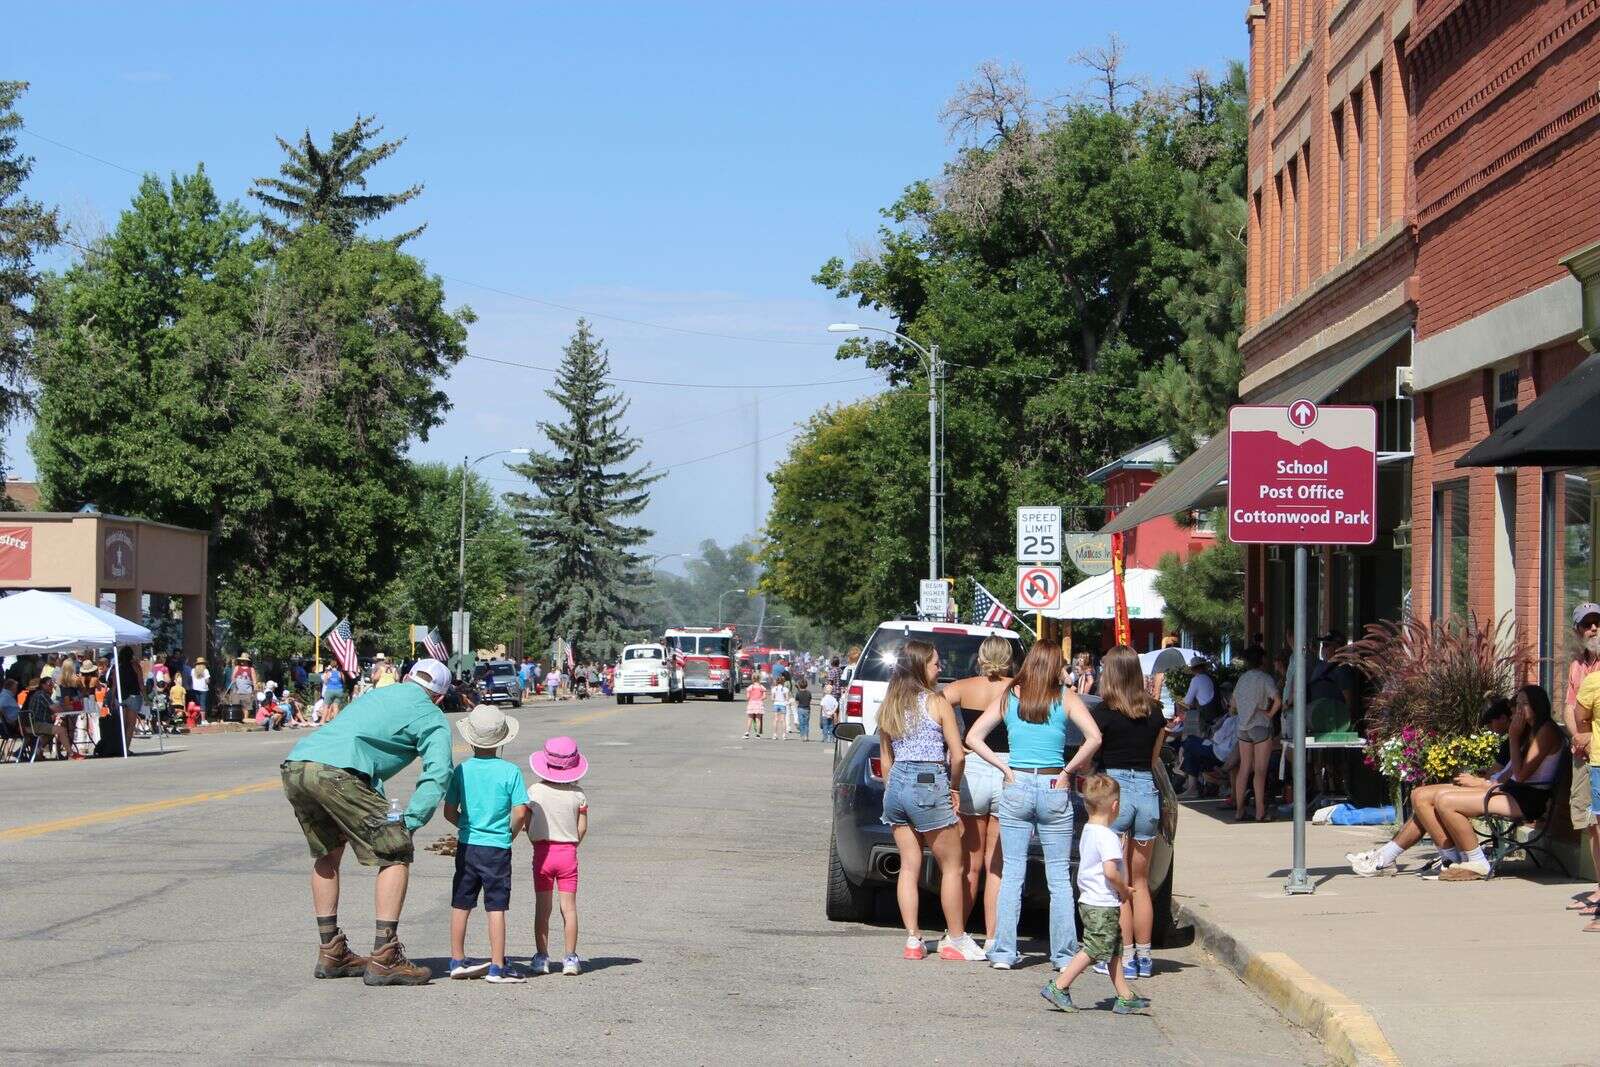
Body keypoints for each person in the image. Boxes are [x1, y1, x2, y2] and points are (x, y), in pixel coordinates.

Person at [279, 657, 455, 986]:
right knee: (396, 852)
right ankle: (386, 955)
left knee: (327, 853)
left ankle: (331, 951)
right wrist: (410, 821)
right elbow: (438, 772)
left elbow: (358, 745)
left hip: (298, 765)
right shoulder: (431, 715)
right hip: (337, 774)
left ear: (406, 678)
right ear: (440, 697)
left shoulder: (375, 694)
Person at [968, 640, 1102, 970]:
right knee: (1058, 877)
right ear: (1056, 665)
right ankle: (1063, 955)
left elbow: (973, 737)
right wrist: (1070, 770)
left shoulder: (1011, 695)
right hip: (1055, 783)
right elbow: (1095, 737)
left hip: (1017, 783)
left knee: (1012, 871)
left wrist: (1004, 768)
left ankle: (1003, 951)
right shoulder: (1065, 697)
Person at [1349, 685, 1564, 881]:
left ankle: (1474, 861)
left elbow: (1522, 775)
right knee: (1419, 795)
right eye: (1517, 704)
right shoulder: (1528, 730)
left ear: (1538, 705)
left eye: (1525, 704)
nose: (1519, 709)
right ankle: (1442, 859)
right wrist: (1486, 780)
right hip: (1508, 790)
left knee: (1445, 801)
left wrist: (1513, 739)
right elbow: (1510, 773)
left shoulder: (1545, 731)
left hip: (1524, 798)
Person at [875, 639, 985, 962]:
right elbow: (958, 755)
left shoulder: (889, 705)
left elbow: (886, 761)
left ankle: (913, 939)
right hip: (929, 781)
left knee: (909, 866)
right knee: (953, 865)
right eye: (936, 663)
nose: (941, 667)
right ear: (921, 666)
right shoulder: (937, 703)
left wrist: (892, 789)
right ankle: (955, 937)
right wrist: (952, 788)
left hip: (896, 786)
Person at [1039, 774, 1150, 1015]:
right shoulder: (1108, 836)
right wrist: (1124, 889)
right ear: (1115, 806)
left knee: (1114, 949)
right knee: (1095, 947)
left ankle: (1124, 995)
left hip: (1090, 899)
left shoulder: (1089, 830)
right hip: (1102, 902)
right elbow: (1110, 872)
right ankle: (1059, 985)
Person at [1089, 645, 1167, 981]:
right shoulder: (1154, 712)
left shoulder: (1104, 713)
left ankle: (1125, 956)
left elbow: (1095, 753)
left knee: (1118, 886)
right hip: (1147, 792)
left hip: (1115, 793)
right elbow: (1153, 760)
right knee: (1141, 882)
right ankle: (1146, 957)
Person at [941, 635, 1017, 953]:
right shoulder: (1018, 688)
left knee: (970, 864)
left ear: (982, 656)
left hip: (972, 768)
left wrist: (950, 744)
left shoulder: (962, 687)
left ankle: (957, 933)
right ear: (1010, 657)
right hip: (1007, 768)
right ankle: (993, 938)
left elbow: (934, 705)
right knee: (996, 864)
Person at [444, 705, 529, 983]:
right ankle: (496, 965)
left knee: (461, 902)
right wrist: (509, 833)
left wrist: (467, 828)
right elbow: (520, 812)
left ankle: (456, 959)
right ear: (502, 741)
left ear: (470, 740)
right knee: (496, 905)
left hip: (468, 844)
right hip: (497, 847)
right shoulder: (511, 771)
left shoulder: (462, 771)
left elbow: (449, 811)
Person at [527, 736, 590, 976]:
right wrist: (573, 843)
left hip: (543, 853)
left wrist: (534, 838)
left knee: (543, 909)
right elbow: (582, 827)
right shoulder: (578, 795)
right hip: (568, 854)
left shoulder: (534, 791)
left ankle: (542, 957)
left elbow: (527, 823)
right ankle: (570, 957)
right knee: (569, 908)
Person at [1563, 602, 1600, 917]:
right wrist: (1578, 737)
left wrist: (1588, 738)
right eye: (1586, 624)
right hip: (1583, 754)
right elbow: (1569, 707)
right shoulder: (1577, 665)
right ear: (1577, 630)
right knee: (1591, 823)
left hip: (1598, 752)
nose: (1593, 629)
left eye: (1597, 623)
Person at [1230, 647, 1283, 823]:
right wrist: (1269, 714)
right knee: (1260, 770)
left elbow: (1233, 704)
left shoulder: (1242, 679)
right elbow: (1278, 700)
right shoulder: (1265, 678)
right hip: (1260, 725)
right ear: (1262, 660)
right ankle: (1260, 811)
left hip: (1242, 727)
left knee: (1244, 768)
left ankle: (1239, 810)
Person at [1173, 657, 1217, 740]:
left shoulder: (1196, 680)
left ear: (1194, 669)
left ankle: (1182, 732)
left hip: (1206, 713)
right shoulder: (1210, 678)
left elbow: (1187, 701)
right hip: (1215, 710)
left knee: (1177, 704)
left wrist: (1180, 703)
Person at [0, 678, 21, 762]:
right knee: (34, 732)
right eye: (16, 687)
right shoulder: (5, 696)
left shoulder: (6, 695)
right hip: (13, 726)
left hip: (16, 724)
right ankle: (21, 752)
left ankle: (20, 752)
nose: (17, 689)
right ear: (11, 688)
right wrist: (7, 719)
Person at [743, 675, 766, 739]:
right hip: (759, 704)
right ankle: (757, 734)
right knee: (758, 719)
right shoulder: (761, 687)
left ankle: (747, 733)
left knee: (750, 719)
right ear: (759, 679)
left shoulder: (751, 687)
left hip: (751, 703)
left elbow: (747, 697)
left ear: (752, 679)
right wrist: (760, 698)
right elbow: (764, 697)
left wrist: (751, 698)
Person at [793, 675, 813, 740]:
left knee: (801, 723)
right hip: (807, 709)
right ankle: (806, 736)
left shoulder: (798, 693)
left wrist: (798, 705)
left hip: (800, 709)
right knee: (806, 723)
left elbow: (796, 701)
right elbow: (810, 700)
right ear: (806, 685)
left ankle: (802, 736)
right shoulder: (809, 693)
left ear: (799, 685)